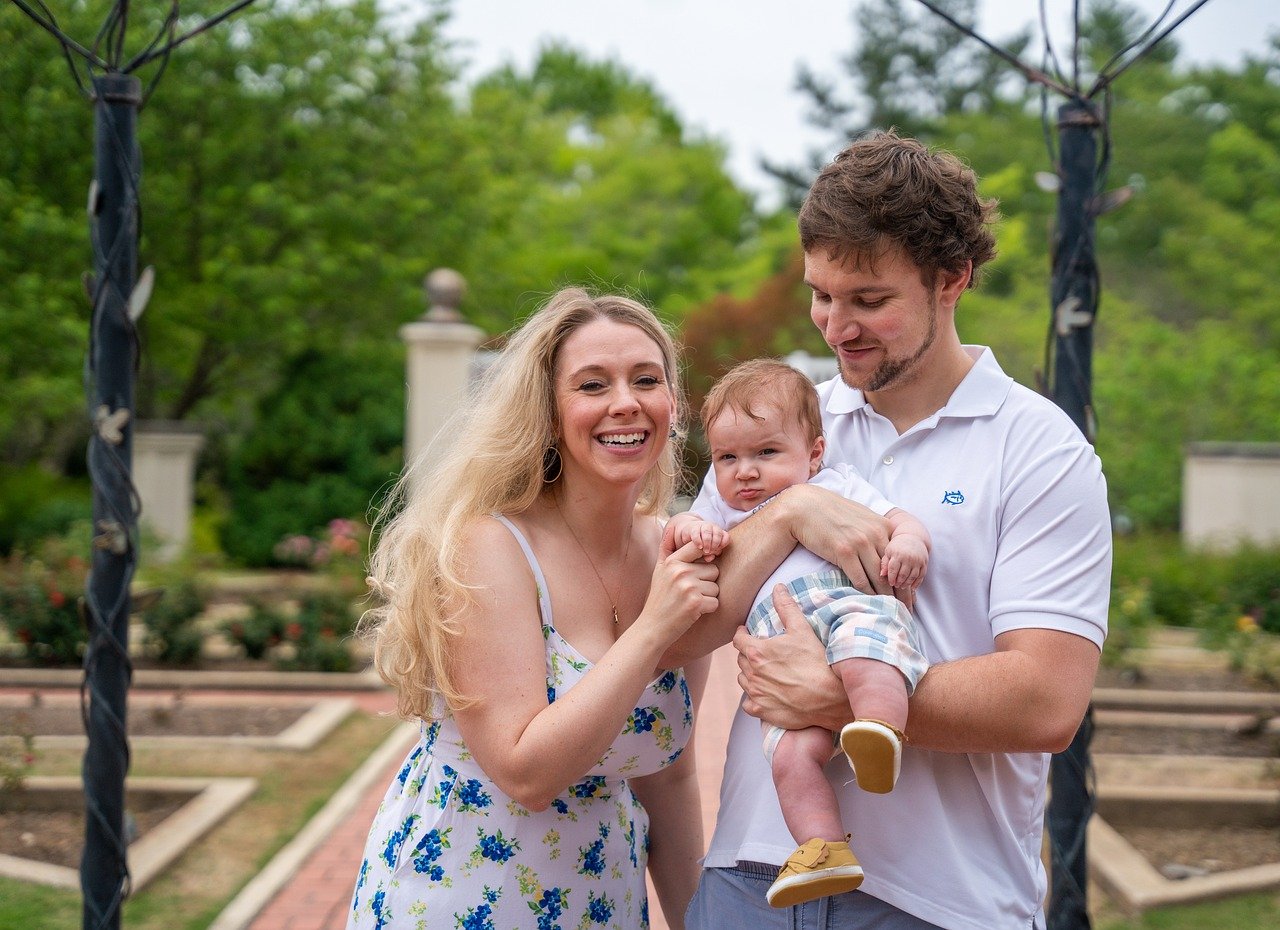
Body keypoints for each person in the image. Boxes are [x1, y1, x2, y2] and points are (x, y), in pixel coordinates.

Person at [669, 131, 1112, 930]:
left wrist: (837, 696)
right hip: (751, 881)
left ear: (952, 279)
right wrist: (790, 514)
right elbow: (677, 632)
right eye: (821, 295)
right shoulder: (777, 425)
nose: (836, 327)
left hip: (939, 902)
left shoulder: (1040, 448)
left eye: (869, 300)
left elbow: (1046, 700)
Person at [347, 288, 719, 930]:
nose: (624, 402)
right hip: (462, 896)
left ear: (671, 405)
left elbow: (671, 780)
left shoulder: (677, 552)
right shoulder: (490, 544)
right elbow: (525, 771)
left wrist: (696, 922)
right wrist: (654, 628)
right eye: (592, 385)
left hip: (600, 899)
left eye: (646, 380)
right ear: (548, 415)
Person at [666, 358, 930, 907]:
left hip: (848, 611)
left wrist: (907, 543)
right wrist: (687, 527)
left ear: (814, 454)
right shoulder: (721, 507)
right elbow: (681, 535)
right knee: (789, 759)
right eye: (726, 457)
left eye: (766, 453)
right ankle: (825, 848)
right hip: (779, 653)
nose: (744, 471)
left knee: (867, 659)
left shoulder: (837, 485)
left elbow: (901, 520)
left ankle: (881, 730)